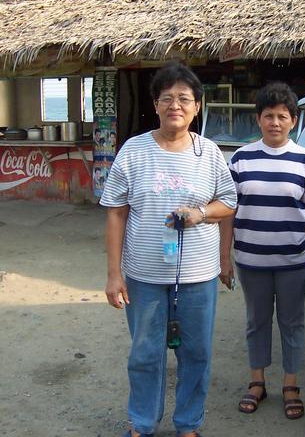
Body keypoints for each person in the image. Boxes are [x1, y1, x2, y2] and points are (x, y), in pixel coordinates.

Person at [101, 62, 237, 437]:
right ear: (155, 105)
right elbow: (116, 213)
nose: (175, 105)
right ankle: (143, 423)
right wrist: (114, 275)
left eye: (184, 98)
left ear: (197, 107)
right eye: (167, 98)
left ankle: (188, 424)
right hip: (144, 275)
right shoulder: (134, 150)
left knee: (196, 354)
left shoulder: (209, 153)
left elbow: (229, 202)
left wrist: (200, 213)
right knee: (145, 355)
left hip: (197, 276)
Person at [219, 82, 305, 420]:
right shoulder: (241, 159)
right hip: (251, 260)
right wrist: (225, 258)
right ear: (258, 120)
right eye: (268, 116)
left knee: (292, 322)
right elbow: (228, 212)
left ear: (293, 120)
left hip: (295, 262)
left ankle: (291, 385)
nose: (275, 122)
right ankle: (257, 381)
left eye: (282, 116)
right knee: (256, 321)